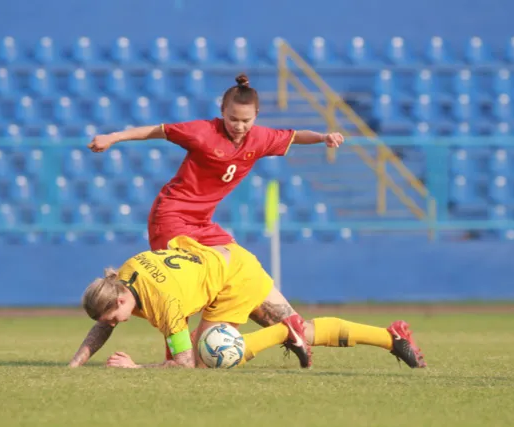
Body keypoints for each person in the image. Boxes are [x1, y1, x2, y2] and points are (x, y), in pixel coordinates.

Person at [84, 73, 345, 363]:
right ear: (222, 112)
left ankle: (278, 332)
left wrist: (323, 137)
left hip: (204, 224)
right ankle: (178, 358)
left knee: (237, 273)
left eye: (246, 120)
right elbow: (157, 131)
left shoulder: (260, 138)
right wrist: (113, 137)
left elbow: (295, 136)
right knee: (171, 290)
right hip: (172, 216)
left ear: (256, 116)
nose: (239, 126)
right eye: (233, 119)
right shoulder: (202, 131)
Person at [69, 236, 426, 370]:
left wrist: (136, 368)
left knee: (209, 359)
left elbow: (184, 365)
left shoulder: (164, 306)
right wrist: (76, 363)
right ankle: (391, 337)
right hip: (235, 260)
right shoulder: (126, 273)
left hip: (230, 283)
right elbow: (102, 322)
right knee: (309, 330)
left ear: (119, 298)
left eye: (114, 316)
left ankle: (284, 334)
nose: (112, 323)